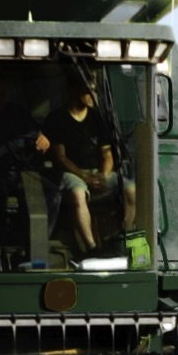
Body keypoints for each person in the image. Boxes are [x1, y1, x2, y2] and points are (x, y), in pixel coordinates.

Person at [43, 68, 135, 258]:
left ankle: (122, 237)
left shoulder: (97, 118)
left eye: (94, 90)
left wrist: (103, 175)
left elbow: (107, 153)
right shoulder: (57, 119)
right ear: (74, 90)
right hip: (71, 174)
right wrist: (85, 176)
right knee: (78, 194)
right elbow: (60, 158)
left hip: (97, 173)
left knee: (130, 189)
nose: (92, 95)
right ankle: (93, 248)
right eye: (87, 91)